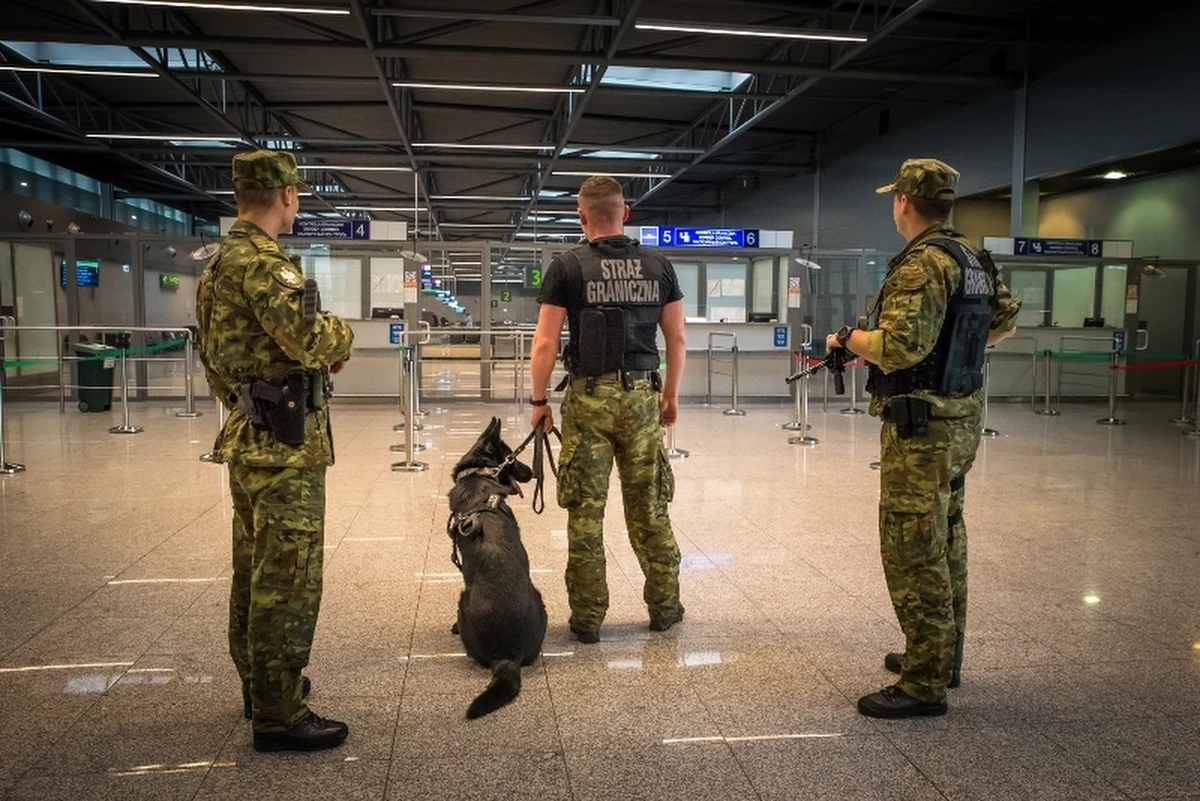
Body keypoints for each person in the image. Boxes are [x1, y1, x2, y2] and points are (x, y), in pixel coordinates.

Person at [825, 158, 1020, 719]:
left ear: (905, 202)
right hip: (959, 418)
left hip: (923, 427)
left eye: (895, 198)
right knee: (947, 535)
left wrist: (848, 337)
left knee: (912, 547)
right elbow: (1003, 323)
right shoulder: (970, 257)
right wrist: (955, 347)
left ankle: (924, 682)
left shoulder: (923, 263)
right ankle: (940, 656)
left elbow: (898, 347)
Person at [195, 149, 354, 752]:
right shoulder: (264, 264)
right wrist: (341, 335)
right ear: (287, 194)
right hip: (284, 446)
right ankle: (279, 715)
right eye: (298, 195)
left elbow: (213, 355)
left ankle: (260, 688)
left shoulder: (217, 264)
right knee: (287, 578)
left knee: (253, 570)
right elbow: (310, 336)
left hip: (247, 434)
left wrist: (249, 400)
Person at [529, 175, 687, 643]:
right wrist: (670, 394)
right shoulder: (659, 266)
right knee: (650, 509)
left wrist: (539, 401)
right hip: (642, 399)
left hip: (589, 399)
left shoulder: (567, 267)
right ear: (626, 213)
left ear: (582, 216)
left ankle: (587, 619)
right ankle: (664, 608)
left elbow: (544, 343)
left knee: (586, 515)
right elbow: (677, 338)